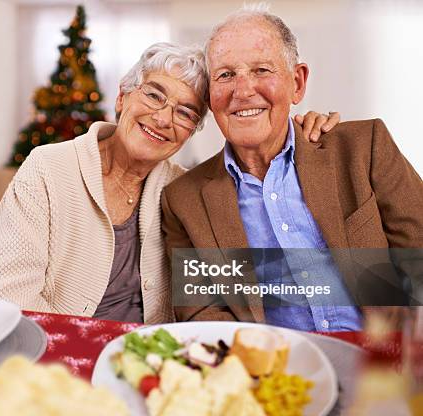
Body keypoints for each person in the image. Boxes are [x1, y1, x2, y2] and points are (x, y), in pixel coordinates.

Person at [0, 42, 339, 324]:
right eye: (153, 95)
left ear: (191, 132)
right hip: (56, 357)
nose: (163, 118)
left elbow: (245, 280)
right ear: (121, 97)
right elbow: (7, 301)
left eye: (185, 112)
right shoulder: (48, 169)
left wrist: (298, 135)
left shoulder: (185, 191)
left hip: (152, 364)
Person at [161, 6, 423, 330]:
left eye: (261, 70)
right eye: (225, 75)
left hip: (382, 360)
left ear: (296, 83)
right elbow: (203, 313)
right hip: (278, 369)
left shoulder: (363, 147)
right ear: (210, 95)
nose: (242, 91)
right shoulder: (185, 201)